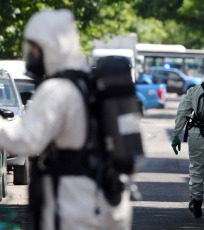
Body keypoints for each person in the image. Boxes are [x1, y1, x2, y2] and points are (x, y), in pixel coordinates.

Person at [0, 9, 133, 230]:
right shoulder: (87, 83)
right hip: (107, 200)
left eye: (33, 48)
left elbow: (26, 142)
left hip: (74, 207)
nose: (30, 55)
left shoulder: (56, 89)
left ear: (49, 46)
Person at [171, 63, 204, 221]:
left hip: (196, 134)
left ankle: (196, 207)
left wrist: (176, 135)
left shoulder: (194, 90)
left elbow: (182, 112)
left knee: (196, 170)